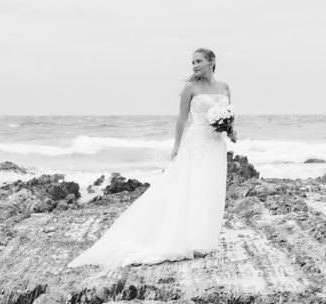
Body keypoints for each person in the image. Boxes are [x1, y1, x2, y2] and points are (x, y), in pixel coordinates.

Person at [68, 48, 230, 268]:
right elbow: (182, 120)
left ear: (211, 61)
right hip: (196, 144)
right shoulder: (190, 89)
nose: (194, 66)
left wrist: (231, 131)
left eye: (198, 61)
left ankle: (202, 237)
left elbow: (228, 117)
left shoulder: (224, 88)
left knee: (208, 187)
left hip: (216, 145)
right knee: (190, 187)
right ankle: (183, 237)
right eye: (192, 62)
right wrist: (176, 146)